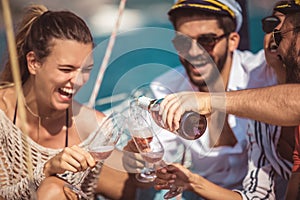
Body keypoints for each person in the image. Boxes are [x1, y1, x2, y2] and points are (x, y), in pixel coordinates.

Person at [155, 1, 300, 199]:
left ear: (233, 40)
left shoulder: (263, 74)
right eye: (183, 42)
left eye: (206, 40)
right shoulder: (165, 87)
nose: (193, 52)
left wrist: (209, 100)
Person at [0, 5, 136, 200]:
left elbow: (128, 191)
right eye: (66, 69)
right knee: (54, 188)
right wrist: (46, 171)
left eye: (86, 69)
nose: (78, 80)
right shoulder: (3, 116)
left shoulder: (95, 128)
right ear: (34, 63)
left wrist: (139, 167)